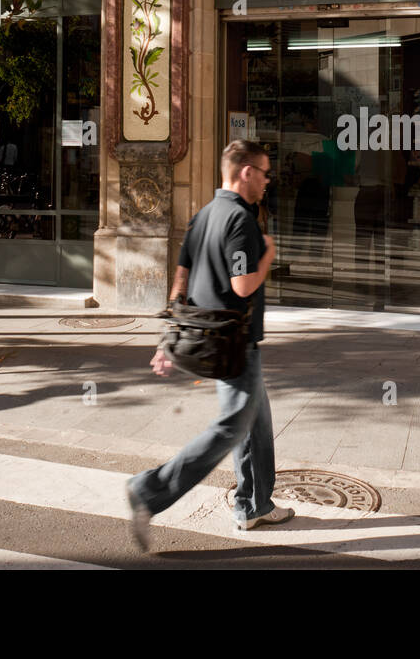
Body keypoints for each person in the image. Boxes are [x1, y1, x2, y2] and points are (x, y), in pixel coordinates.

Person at [125, 139, 293, 552]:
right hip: (234, 345)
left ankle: (255, 503)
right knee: (229, 429)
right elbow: (242, 284)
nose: (268, 181)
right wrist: (267, 257)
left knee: (258, 420)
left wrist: (168, 341)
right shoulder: (240, 220)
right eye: (265, 173)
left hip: (213, 340)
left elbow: (180, 280)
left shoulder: (201, 217)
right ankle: (149, 490)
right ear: (245, 172)